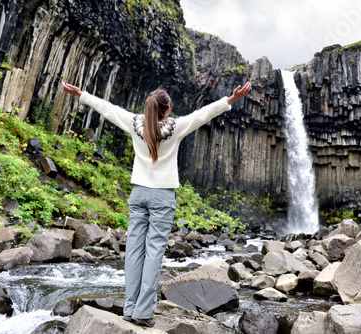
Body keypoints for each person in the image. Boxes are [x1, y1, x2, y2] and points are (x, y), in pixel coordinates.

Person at [62, 81, 251, 327]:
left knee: (134, 252)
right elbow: (203, 114)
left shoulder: (134, 123)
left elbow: (108, 109)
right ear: (167, 110)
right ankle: (143, 312)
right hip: (162, 196)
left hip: (138, 194)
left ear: (148, 108)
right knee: (153, 253)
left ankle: (130, 308)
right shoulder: (177, 127)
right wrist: (231, 100)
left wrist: (83, 94)